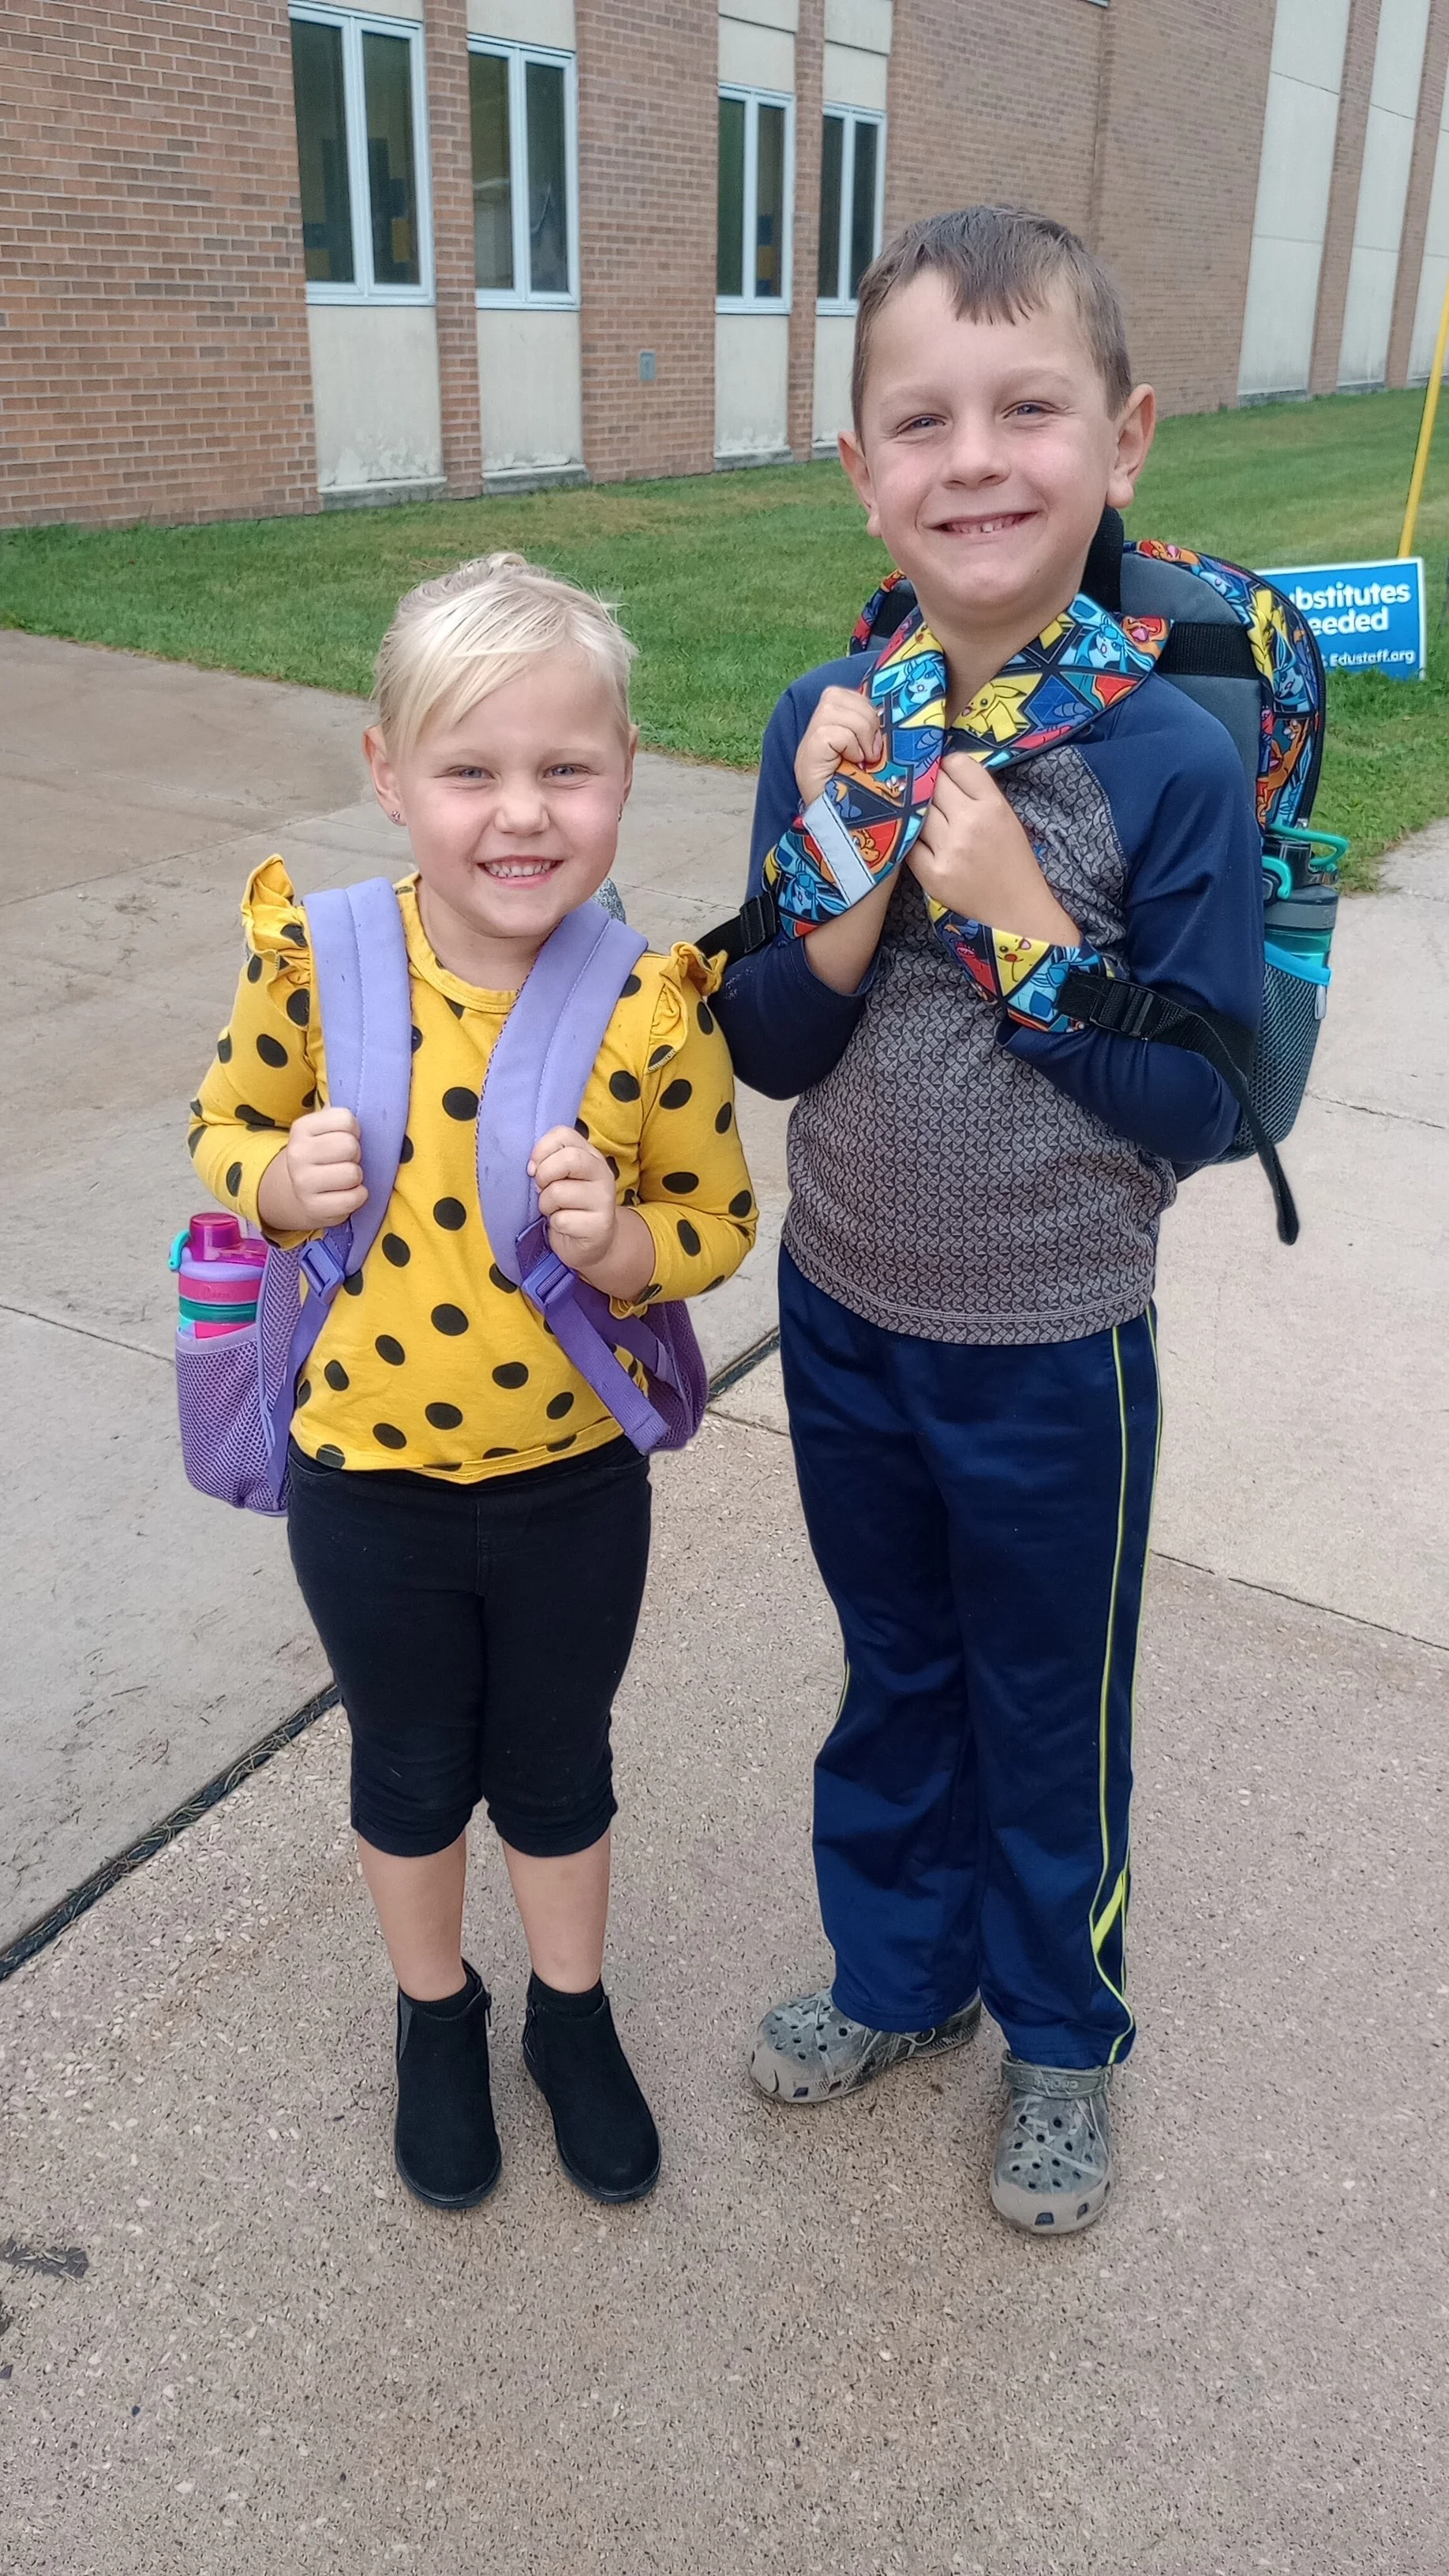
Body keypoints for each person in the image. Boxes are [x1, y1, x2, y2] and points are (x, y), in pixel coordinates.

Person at [716, 208, 1263, 2233]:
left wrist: (1029, 938)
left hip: (1053, 1346)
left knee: (1049, 1700)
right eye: (921, 420)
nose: (975, 459)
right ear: (862, 469)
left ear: (1120, 442)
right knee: (895, 1672)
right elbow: (769, 1039)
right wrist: (848, 888)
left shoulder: (1169, 759)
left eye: (1027, 407)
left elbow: (1203, 1106)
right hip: (844, 1314)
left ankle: (1060, 2032)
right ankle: (898, 1977)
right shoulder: (824, 722)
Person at [190, 554, 756, 2211]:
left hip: (576, 1482)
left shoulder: (653, 1006)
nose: (523, 814)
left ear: (625, 771)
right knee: (411, 1765)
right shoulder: (314, 961)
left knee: (560, 1763)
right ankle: (436, 2012)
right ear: (388, 772)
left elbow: (717, 1213)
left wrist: (631, 1250)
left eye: (566, 768)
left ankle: (570, 2015)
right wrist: (276, 1183)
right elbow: (220, 1131)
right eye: (471, 770)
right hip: (362, 1484)